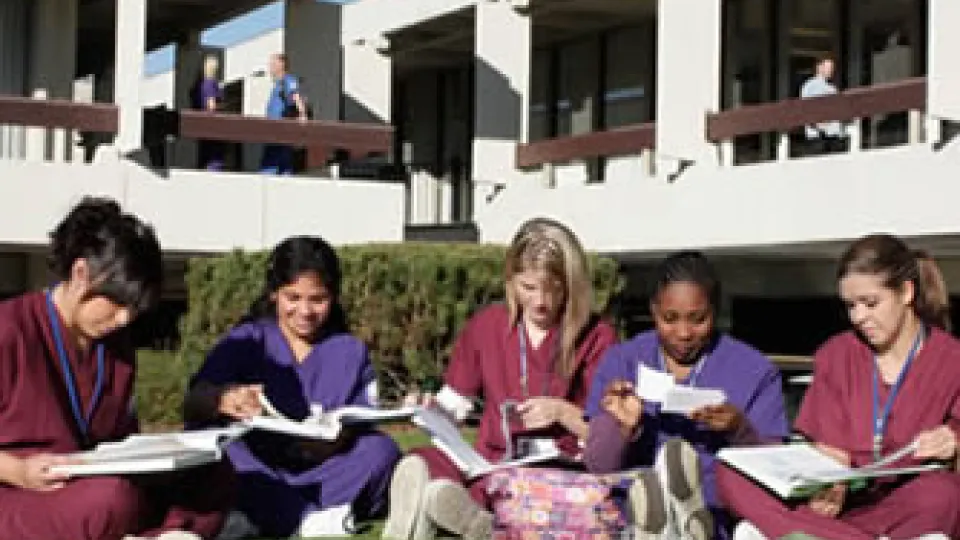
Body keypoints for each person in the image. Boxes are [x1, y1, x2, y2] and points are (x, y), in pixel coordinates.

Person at [0, 197, 230, 540]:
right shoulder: (9, 329)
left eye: (135, 309)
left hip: (92, 478)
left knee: (214, 472)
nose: (124, 319)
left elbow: (120, 438)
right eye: (117, 302)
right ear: (81, 274)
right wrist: (18, 470)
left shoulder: (117, 346)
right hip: (20, 491)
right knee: (111, 500)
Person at [382, 217, 619, 540]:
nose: (541, 302)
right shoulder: (488, 325)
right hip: (490, 462)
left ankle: (471, 518)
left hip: (557, 468)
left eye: (554, 289)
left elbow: (608, 436)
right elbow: (455, 404)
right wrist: (429, 409)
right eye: (528, 288)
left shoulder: (597, 337)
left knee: (534, 487)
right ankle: (441, 512)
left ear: (572, 285)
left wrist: (563, 412)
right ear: (511, 281)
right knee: (422, 460)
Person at [718, 234, 960, 540]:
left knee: (944, 494)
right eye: (850, 306)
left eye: (870, 304)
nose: (859, 317)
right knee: (730, 474)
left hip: (903, 507)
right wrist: (826, 475)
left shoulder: (952, 359)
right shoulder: (837, 354)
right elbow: (824, 446)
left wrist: (953, 443)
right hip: (841, 509)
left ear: (906, 292)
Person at [185, 236, 401, 538]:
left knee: (380, 450)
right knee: (224, 451)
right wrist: (223, 399)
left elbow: (362, 416)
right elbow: (194, 401)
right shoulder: (248, 340)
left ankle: (289, 514)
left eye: (318, 300)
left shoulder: (350, 351)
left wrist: (336, 441)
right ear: (274, 293)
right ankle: (310, 517)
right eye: (293, 298)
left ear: (334, 297)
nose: (305, 311)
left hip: (322, 471)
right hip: (258, 466)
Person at [582, 250, 788, 540]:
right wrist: (622, 428)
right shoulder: (623, 361)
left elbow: (777, 470)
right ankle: (661, 519)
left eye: (698, 319)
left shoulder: (754, 370)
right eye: (670, 319)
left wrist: (739, 430)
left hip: (715, 512)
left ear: (715, 311)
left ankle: (687, 519)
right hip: (628, 509)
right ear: (653, 310)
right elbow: (598, 466)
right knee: (637, 502)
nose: (683, 333)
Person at [260, 53, 308, 175]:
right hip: (274, 131)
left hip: (279, 132)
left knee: (271, 165)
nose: (270, 67)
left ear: (281, 65)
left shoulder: (288, 80)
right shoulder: (279, 84)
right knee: (283, 166)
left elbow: (296, 96)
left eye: (272, 64)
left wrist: (302, 114)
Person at [800, 55, 847, 155]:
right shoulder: (810, 85)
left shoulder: (832, 88)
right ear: (819, 67)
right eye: (828, 67)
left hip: (834, 135)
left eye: (832, 68)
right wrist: (819, 123)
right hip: (818, 136)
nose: (830, 70)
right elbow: (807, 107)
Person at [191, 54, 225, 171]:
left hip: (203, 126)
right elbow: (212, 106)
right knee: (214, 158)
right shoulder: (210, 83)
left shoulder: (200, 85)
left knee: (204, 155)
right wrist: (224, 106)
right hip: (213, 127)